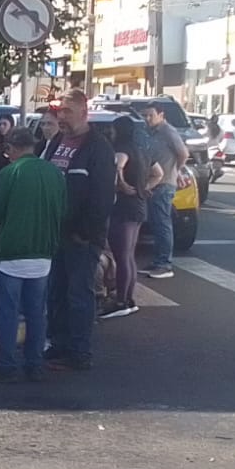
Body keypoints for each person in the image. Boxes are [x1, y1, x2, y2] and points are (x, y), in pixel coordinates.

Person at [0, 128, 66, 383]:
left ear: (13, 148)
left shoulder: (10, 173)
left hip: (11, 254)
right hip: (43, 254)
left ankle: (6, 365)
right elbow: (63, 211)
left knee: (6, 314)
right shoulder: (54, 173)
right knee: (36, 314)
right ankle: (34, 364)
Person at [43, 92, 116, 371]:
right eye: (60, 111)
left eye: (68, 112)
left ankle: (79, 352)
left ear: (84, 113)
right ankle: (58, 343)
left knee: (79, 294)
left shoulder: (98, 148)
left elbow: (102, 197)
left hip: (81, 238)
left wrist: (85, 232)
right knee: (56, 291)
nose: (62, 116)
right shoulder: (56, 143)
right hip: (56, 233)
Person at [103, 115, 161, 320]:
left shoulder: (122, 150)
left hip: (124, 207)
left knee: (122, 255)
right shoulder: (143, 150)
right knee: (129, 255)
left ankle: (121, 301)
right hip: (139, 205)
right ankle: (128, 299)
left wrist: (122, 184)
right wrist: (143, 188)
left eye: (112, 129)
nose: (110, 132)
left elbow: (119, 164)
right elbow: (158, 173)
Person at [138, 103, 186, 280]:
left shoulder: (168, 131)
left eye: (151, 115)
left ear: (161, 115)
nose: (147, 119)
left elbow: (183, 153)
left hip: (164, 183)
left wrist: (176, 170)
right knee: (156, 224)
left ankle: (164, 264)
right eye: (145, 115)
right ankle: (158, 260)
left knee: (162, 224)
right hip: (154, 182)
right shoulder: (150, 132)